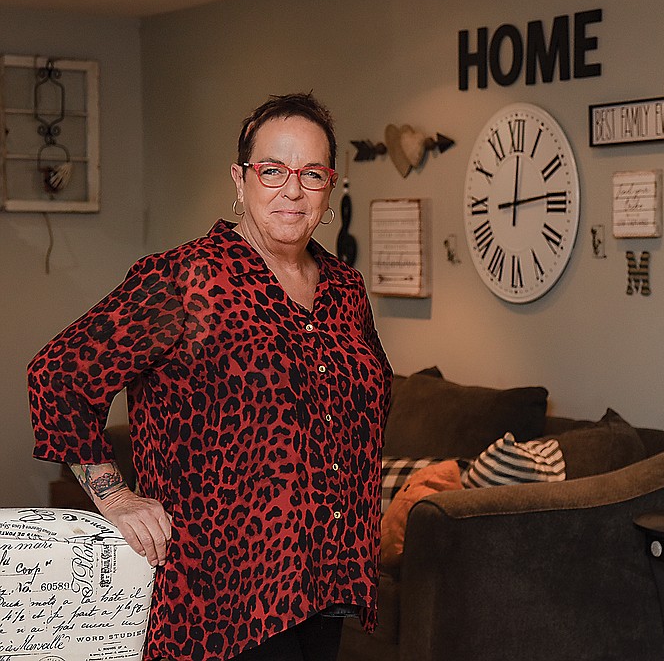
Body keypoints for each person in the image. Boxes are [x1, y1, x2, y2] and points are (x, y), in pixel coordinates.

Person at [28, 92, 392, 661]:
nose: (291, 190)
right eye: (272, 170)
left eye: (310, 174)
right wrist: (114, 496)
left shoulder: (344, 289)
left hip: (326, 582)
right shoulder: (185, 279)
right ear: (240, 178)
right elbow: (59, 375)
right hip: (219, 599)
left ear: (331, 185)